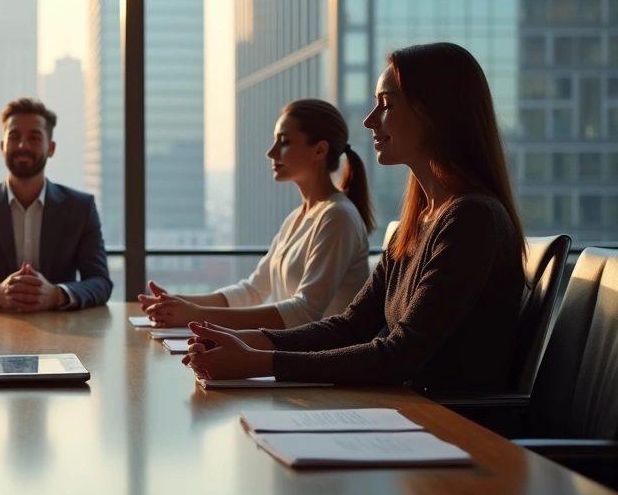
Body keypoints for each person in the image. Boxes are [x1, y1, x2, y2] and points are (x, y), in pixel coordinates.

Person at [183, 42, 525, 392]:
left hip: (450, 429)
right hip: (406, 414)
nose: (369, 120)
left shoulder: (472, 220)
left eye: (387, 105)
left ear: (436, 113)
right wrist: (238, 340)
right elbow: (348, 327)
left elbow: (400, 356)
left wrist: (257, 361)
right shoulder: (418, 224)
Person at [141, 100, 374, 330]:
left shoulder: (338, 218)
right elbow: (252, 290)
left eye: (284, 142)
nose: (271, 152)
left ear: (319, 149)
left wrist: (197, 315)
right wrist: (178, 303)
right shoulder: (297, 218)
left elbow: (304, 311)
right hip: (294, 354)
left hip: (324, 363)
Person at [0, 98, 113, 311]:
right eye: (14, 137)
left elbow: (100, 282)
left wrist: (56, 295)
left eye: (34, 138)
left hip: (64, 334)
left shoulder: (80, 208)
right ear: (2, 147)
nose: (23, 145)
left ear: (51, 148)